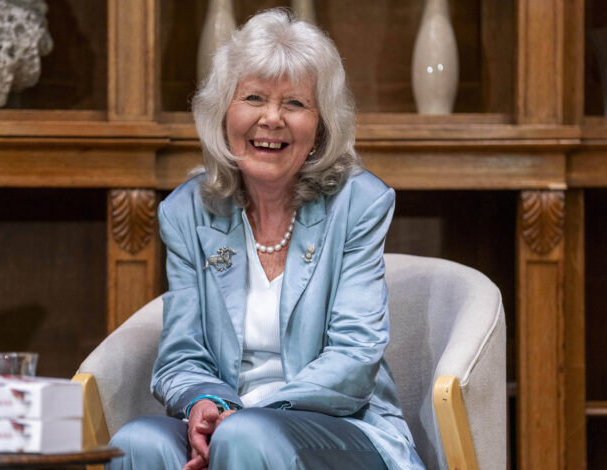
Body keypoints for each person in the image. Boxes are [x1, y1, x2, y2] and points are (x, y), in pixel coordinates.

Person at [108, 8, 425, 470]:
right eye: (254, 98)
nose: (271, 118)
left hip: (343, 427)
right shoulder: (187, 212)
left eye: (294, 104)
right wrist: (205, 405)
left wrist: (243, 418)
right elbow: (181, 356)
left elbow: (354, 358)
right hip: (233, 420)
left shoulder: (358, 203)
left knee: (246, 435)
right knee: (137, 442)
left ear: (320, 128)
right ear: (223, 113)